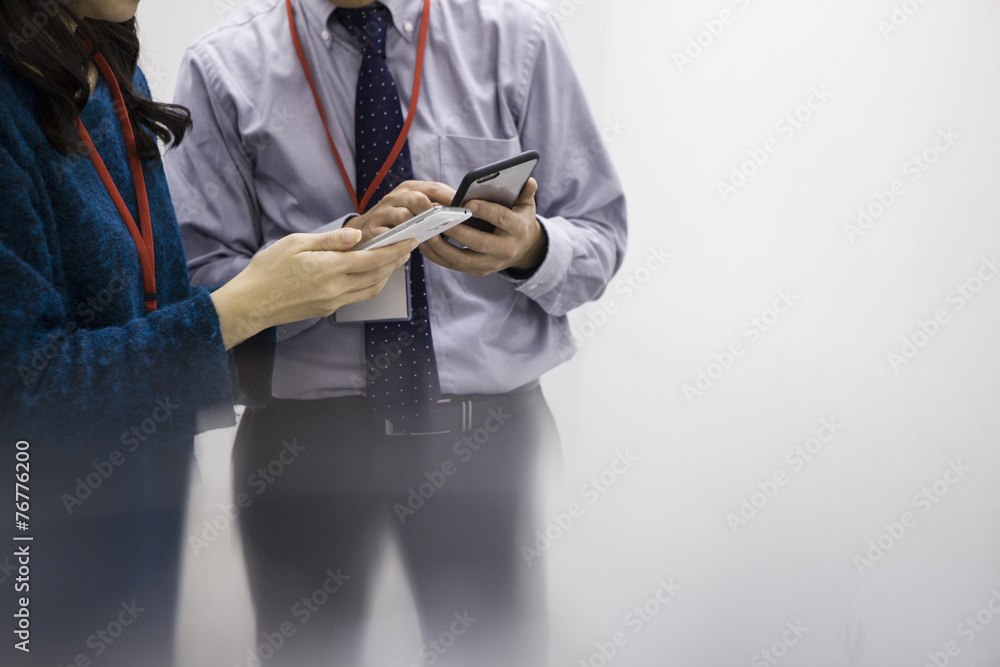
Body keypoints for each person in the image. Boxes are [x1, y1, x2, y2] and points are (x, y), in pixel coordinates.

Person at [166, 0, 627, 664]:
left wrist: (529, 244)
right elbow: (202, 288)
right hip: (301, 446)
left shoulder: (518, 37)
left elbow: (599, 234)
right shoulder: (223, 65)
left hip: (486, 438)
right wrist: (341, 258)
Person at [0, 1, 414, 665]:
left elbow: (149, 310)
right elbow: (26, 396)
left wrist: (305, 278)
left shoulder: (98, 65)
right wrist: (238, 310)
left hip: (137, 532)